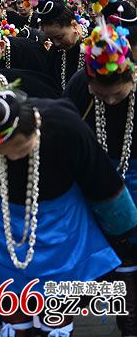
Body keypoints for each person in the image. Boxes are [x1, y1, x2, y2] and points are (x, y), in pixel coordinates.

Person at [0, 75, 137, 336]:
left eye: (22, 147)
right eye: (5, 151)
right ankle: (18, 327)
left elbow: (99, 176)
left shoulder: (65, 125)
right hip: (3, 219)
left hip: (61, 219)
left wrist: (120, 226)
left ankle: (57, 327)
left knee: (61, 293)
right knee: (11, 285)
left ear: (34, 126)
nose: (15, 156)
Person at [63, 23, 137, 336]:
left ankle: (130, 321)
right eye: (101, 95)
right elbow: (65, 134)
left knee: (131, 243)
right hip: (93, 170)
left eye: (117, 94)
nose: (110, 101)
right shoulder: (80, 85)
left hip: (133, 170)